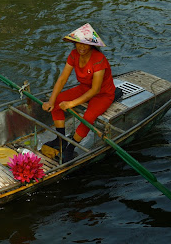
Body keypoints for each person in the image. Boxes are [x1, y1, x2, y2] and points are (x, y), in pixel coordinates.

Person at [41, 23, 115, 162]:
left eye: (85, 44)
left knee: (88, 117)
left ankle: (70, 148)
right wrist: (51, 101)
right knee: (57, 101)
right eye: (78, 43)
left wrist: (71, 104)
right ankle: (60, 139)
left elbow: (95, 90)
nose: (81, 47)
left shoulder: (99, 60)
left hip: (103, 94)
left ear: (91, 45)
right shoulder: (74, 55)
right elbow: (63, 79)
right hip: (84, 87)